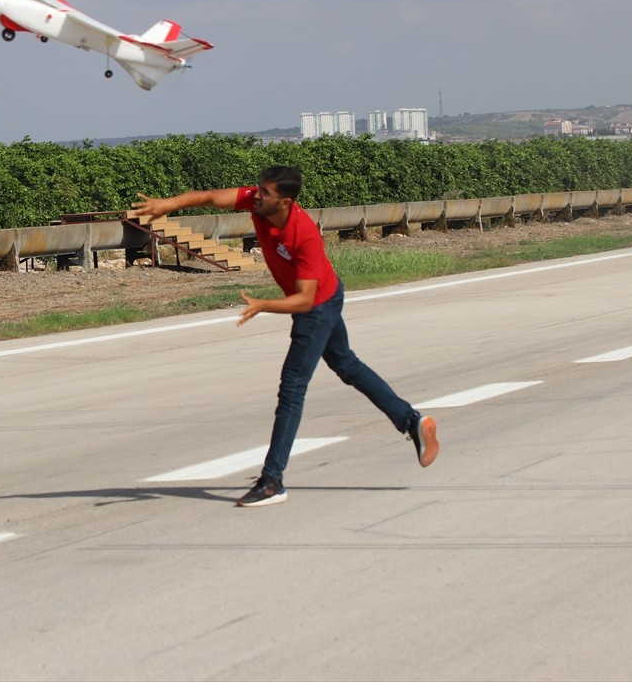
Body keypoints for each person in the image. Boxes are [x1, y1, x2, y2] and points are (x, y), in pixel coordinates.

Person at [132, 165, 438, 507]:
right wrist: (167, 205)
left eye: (265, 193)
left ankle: (272, 480)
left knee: (292, 387)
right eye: (258, 190)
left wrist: (265, 304)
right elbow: (209, 197)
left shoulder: (302, 232)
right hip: (324, 295)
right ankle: (412, 420)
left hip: (318, 305)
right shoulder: (257, 202)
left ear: (286, 202)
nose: (255, 195)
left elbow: (305, 299)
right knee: (346, 365)